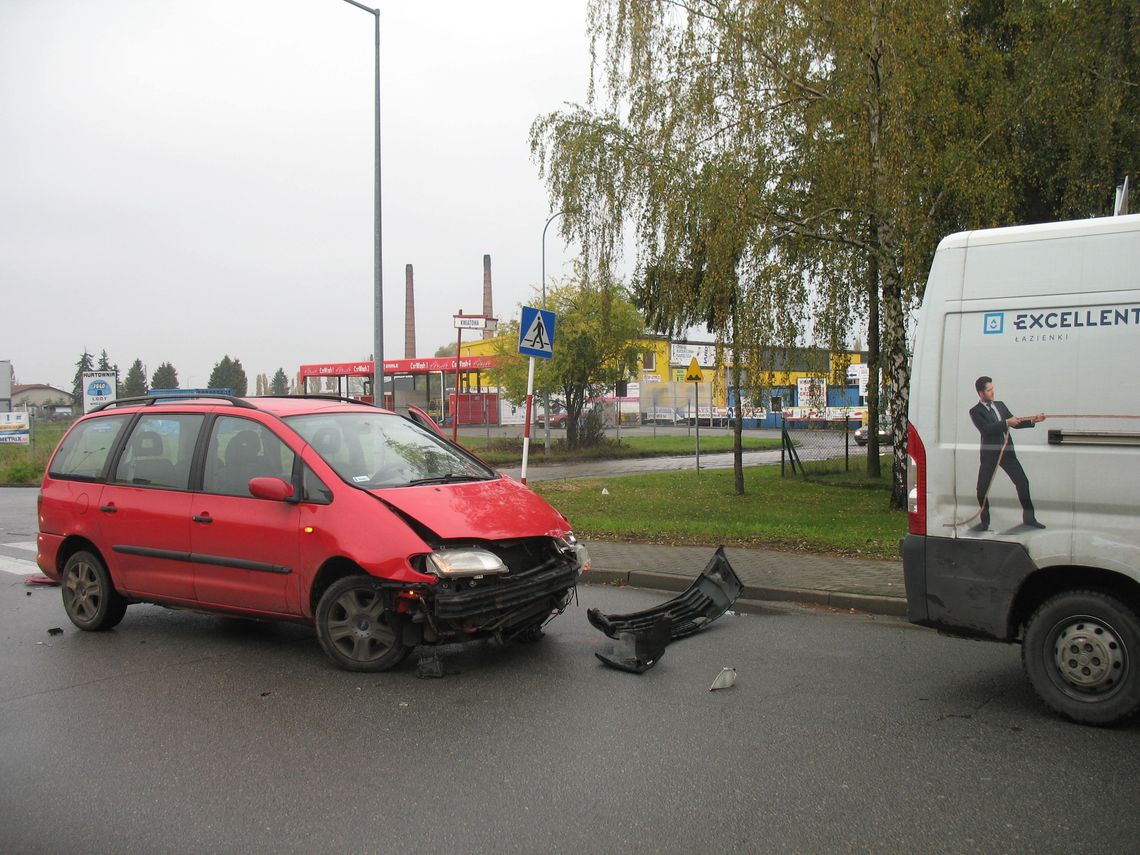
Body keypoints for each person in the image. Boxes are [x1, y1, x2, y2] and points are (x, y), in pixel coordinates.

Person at [969, 376, 1046, 531]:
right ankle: (985, 522)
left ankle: (1029, 518)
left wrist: (1033, 420)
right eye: (989, 390)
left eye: (992, 389)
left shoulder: (1000, 405)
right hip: (990, 454)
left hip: (1007, 452)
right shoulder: (975, 411)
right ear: (980, 393)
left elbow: (1015, 422)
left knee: (1022, 482)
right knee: (981, 489)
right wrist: (1005, 423)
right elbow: (986, 429)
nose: (992, 392)